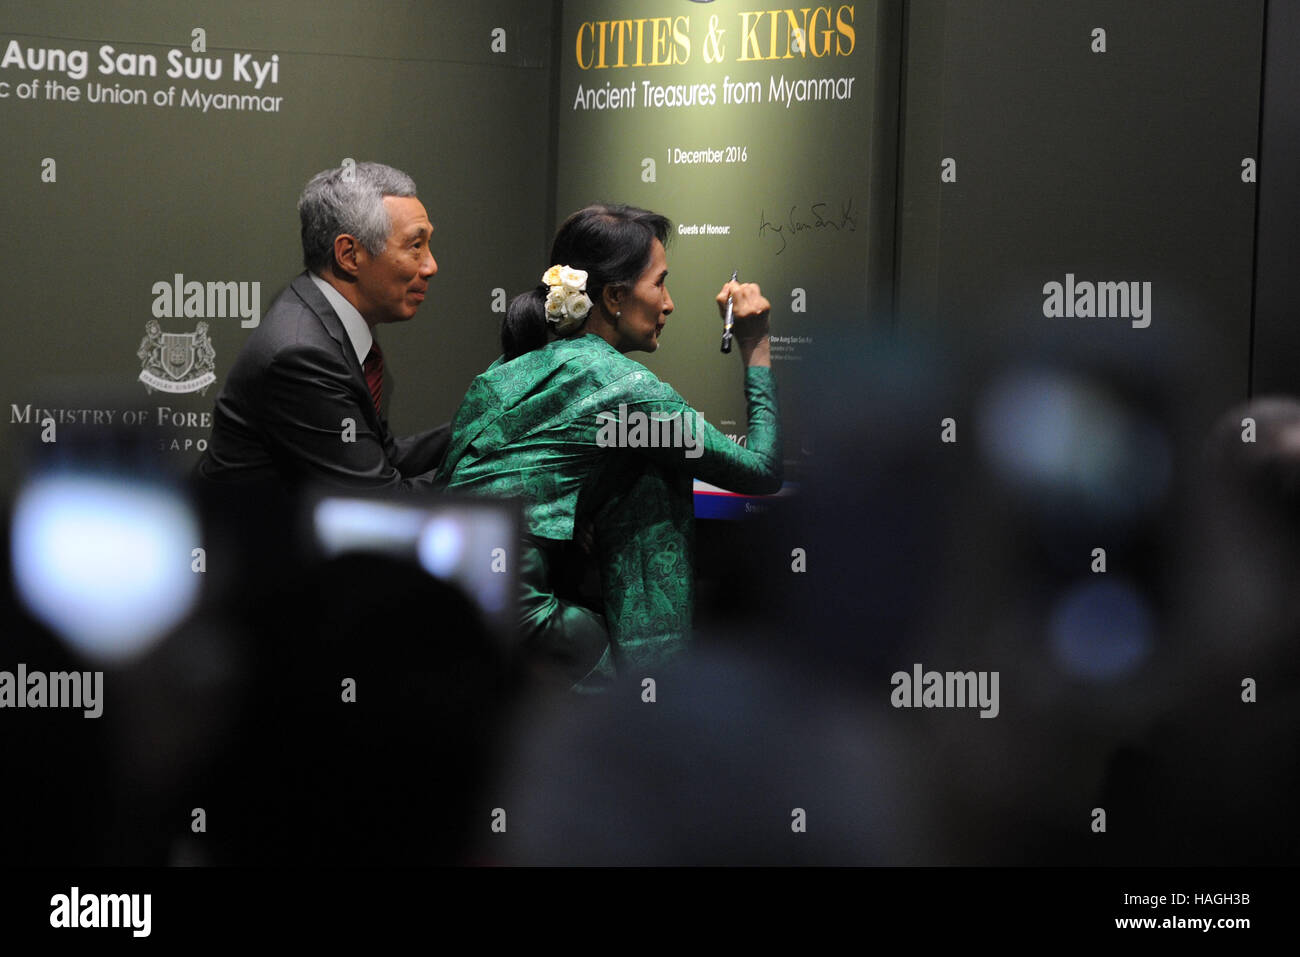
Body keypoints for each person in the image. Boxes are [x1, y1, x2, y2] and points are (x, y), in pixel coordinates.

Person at [437, 203, 781, 689]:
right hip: (525, 619)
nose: (669, 303)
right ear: (616, 296)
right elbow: (762, 469)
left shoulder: (513, 365)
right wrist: (757, 346)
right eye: (659, 283)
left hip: (446, 606)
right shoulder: (625, 388)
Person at [197, 162, 449, 490]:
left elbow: (380, 456)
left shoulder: (327, 317)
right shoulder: (303, 355)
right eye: (415, 246)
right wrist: (504, 473)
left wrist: (484, 427)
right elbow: (380, 507)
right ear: (349, 255)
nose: (431, 266)